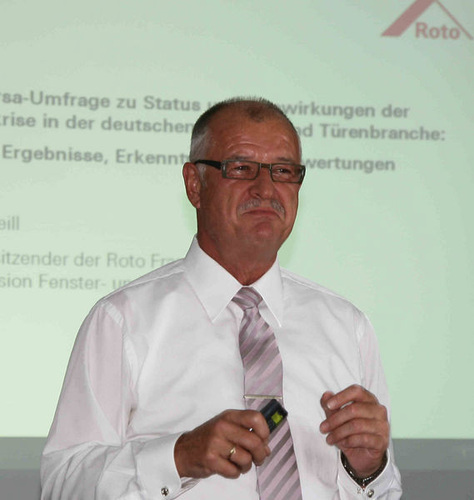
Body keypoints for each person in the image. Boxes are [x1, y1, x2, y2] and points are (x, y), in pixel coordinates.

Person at [41, 97, 402, 499]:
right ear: (195, 185)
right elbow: (62, 484)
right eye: (241, 168)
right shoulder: (122, 320)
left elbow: (385, 492)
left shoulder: (346, 326)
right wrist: (177, 457)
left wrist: (368, 468)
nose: (266, 189)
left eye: (283, 171)